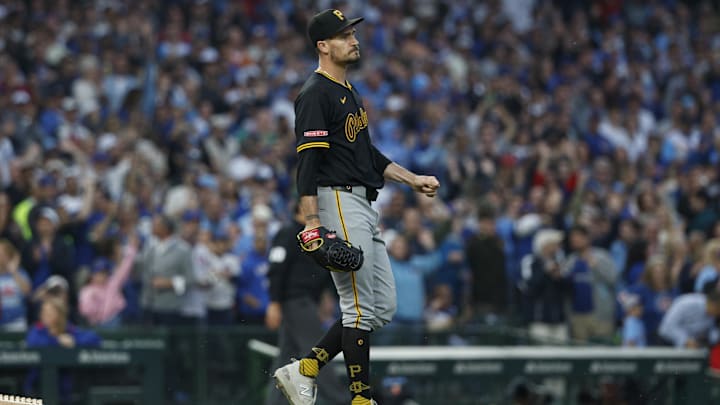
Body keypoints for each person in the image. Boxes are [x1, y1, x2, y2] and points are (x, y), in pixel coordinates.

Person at [272, 9, 440, 405]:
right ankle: (361, 399)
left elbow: (369, 154)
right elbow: (307, 164)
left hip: (362, 200)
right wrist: (312, 222)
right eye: (344, 35)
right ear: (323, 45)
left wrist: (411, 178)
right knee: (359, 309)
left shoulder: (348, 92)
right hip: (337, 198)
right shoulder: (315, 93)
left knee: (382, 306)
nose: (353, 40)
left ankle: (306, 369)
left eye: (352, 33)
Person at [265, 205, 347, 405]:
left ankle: (275, 402)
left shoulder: (317, 237)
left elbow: (325, 271)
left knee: (288, 356)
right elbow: (277, 269)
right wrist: (274, 303)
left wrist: (325, 297)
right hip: (294, 301)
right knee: (318, 350)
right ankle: (342, 400)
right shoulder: (287, 233)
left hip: (307, 300)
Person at [78, 235, 138, 328]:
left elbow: (124, 268)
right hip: (94, 323)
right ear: (92, 275)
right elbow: (85, 310)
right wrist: (96, 311)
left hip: (114, 320)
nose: (101, 276)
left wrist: (131, 251)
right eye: (98, 273)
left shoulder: (112, 283)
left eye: (104, 273)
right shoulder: (87, 290)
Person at [0, 239, 32, 332]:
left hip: (16, 322)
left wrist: (14, 272)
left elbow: (27, 292)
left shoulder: (20, 274)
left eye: (2, 254)